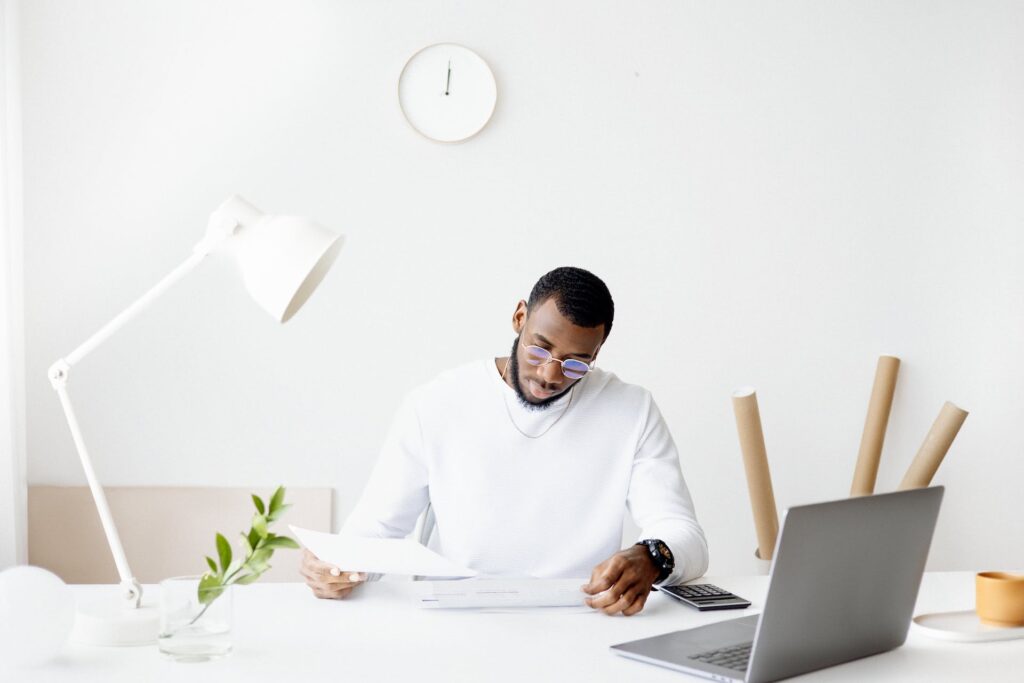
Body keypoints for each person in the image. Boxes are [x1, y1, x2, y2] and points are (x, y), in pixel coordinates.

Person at [301, 267, 708, 616]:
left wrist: (652, 557)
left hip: (579, 621)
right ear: (519, 318)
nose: (550, 375)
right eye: (540, 348)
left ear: (597, 353)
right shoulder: (437, 403)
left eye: (575, 363)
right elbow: (376, 529)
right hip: (456, 619)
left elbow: (684, 534)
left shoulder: (631, 409)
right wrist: (336, 565)